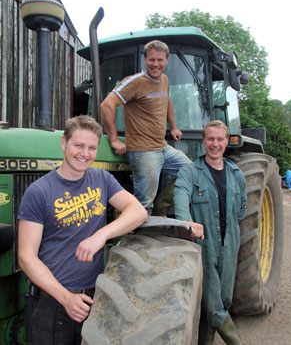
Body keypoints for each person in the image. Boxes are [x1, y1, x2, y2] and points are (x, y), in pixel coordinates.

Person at [17, 115, 148, 345]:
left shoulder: (101, 179)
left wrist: (101, 235)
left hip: (92, 299)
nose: (85, 153)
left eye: (91, 148)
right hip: (52, 302)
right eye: (78, 145)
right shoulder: (39, 191)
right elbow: (26, 257)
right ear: (64, 144)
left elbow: (138, 211)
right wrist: (66, 298)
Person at [174, 120, 247, 345]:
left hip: (230, 244)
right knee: (214, 306)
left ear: (227, 142)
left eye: (220, 139)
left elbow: (241, 210)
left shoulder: (236, 174)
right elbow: (180, 195)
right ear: (204, 141)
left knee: (221, 301)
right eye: (210, 139)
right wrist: (186, 220)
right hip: (204, 246)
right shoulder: (190, 172)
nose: (215, 144)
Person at [100, 39, 191, 214]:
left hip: (162, 147)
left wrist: (173, 127)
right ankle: (136, 238)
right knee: (143, 203)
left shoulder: (164, 79)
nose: (155, 64)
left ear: (166, 60)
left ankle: (162, 206)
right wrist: (113, 139)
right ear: (145, 60)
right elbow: (106, 105)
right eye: (151, 60)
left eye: (160, 60)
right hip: (143, 151)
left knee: (192, 172)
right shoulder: (135, 82)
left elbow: (167, 100)